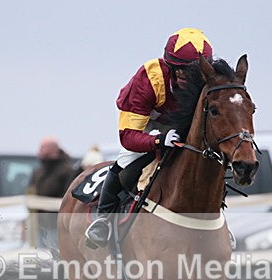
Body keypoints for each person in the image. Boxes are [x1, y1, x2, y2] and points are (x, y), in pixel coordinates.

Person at [85, 27, 214, 249]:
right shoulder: (149, 79)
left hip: (183, 123)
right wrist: (157, 141)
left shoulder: (208, 80)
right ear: (170, 68)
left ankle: (219, 225)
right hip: (149, 121)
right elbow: (128, 137)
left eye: (195, 74)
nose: (188, 80)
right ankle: (103, 219)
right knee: (127, 160)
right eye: (182, 72)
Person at [30, 136, 76, 245]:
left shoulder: (67, 172)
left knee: (55, 258)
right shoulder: (38, 171)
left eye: (42, 148)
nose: (39, 151)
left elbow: (69, 199)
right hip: (38, 224)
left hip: (57, 226)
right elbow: (30, 193)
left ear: (52, 149)